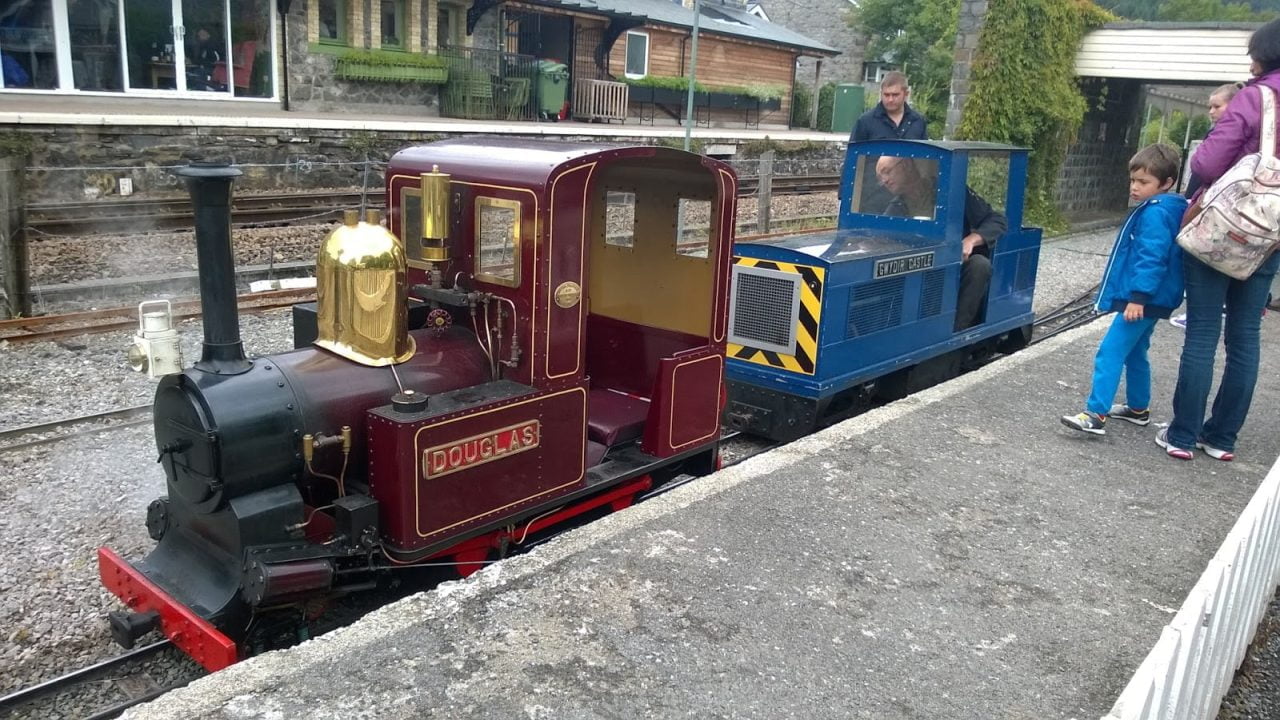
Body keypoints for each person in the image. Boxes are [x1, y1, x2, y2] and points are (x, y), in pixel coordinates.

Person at [1158, 18, 1280, 461]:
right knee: (1246, 336)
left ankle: (1182, 436)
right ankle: (1222, 439)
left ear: (1264, 53)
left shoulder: (1257, 96)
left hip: (1225, 229)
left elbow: (1208, 164)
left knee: (1204, 330)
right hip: (1270, 237)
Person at [1060, 145, 1188, 435]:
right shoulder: (1170, 208)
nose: (1135, 187)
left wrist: (1138, 297)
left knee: (1109, 352)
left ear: (1166, 183)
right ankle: (1138, 408)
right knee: (1136, 351)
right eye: (1133, 180)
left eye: (1144, 182)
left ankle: (1095, 414)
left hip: (1143, 299)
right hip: (1155, 298)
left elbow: (1152, 256)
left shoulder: (1155, 213)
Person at [874, 155, 1005, 330]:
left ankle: (957, 332)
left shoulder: (951, 191)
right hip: (919, 269)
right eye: (879, 177)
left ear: (905, 165)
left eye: (886, 172)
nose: (884, 181)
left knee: (979, 265)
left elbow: (996, 220)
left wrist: (970, 241)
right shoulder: (894, 208)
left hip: (954, 265)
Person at [1169, 82, 1244, 329]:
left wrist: (1190, 200)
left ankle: (1196, 313)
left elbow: (1204, 170)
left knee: (1201, 261)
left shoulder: (1225, 134)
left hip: (1215, 210)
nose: (1211, 111)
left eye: (1217, 106)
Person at [851, 71, 928, 142]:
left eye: (895, 95)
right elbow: (853, 154)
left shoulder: (918, 121)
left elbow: (925, 155)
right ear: (881, 93)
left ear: (906, 94)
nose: (890, 99)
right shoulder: (865, 122)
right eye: (886, 95)